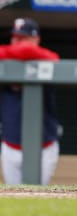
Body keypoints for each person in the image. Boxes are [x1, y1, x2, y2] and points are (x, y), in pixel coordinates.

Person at [0, 18, 60, 185]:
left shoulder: (46, 58)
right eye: (15, 38)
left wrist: (19, 51)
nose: (17, 42)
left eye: (23, 38)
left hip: (44, 146)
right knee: (14, 199)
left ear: (36, 39)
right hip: (11, 144)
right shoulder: (4, 62)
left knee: (38, 196)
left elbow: (50, 57)